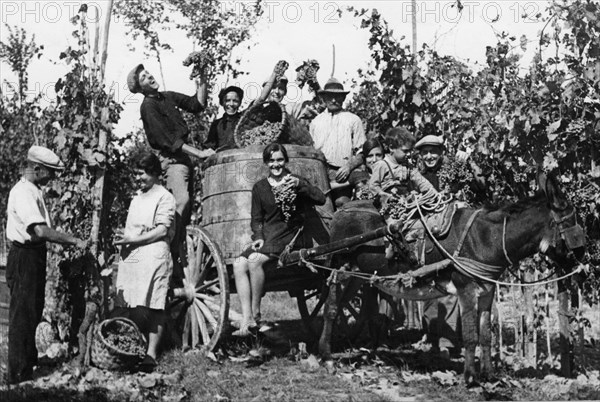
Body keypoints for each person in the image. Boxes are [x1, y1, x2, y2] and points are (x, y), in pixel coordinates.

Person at [5, 145, 87, 384]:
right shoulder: (22, 192)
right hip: (24, 257)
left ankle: (28, 364)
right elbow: (39, 230)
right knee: (22, 316)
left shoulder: (33, 190)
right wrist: (72, 240)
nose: (53, 177)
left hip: (34, 256)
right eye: (50, 172)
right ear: (37, 168)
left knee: (33, 310)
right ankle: (17, 376)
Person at [127, 63, 214, 285]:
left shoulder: (167, 97)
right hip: (171, 160)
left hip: (184, 161)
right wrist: (199, 153)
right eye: (144, 78)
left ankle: (179, 255)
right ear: (140, 88)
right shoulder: (148, 107)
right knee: (181, 203)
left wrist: (202, 74)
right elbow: (169, 141)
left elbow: (197, 104)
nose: (150, 77)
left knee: (186, 213)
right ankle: (168, 254)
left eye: (149, 74)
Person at [232, 143, 326, 336]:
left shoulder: (296, 181)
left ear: (286, 161)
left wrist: (302, 187)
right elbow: (256, 219)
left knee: (254, 261)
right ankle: (246, 318)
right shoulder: (260, 187)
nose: (276, 164)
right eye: (272, 160)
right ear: (266, 162)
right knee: (238, 263)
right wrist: (258, 237)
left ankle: (256, 315)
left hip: (291, 235)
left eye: (280, 160)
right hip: (268, 236)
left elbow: (320, 198)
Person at [114, 152, 176, 372]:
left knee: (155, 303)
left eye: (141, 173)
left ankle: (151, 353)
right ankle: (135, 349)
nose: (138, 178)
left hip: (153, 253)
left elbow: (162, 230)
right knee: (134, 302)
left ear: (154, 173)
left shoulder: (164, 197)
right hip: (134, 254)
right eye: (136, 173)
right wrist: (126, 239)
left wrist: (134, 239)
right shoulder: (137, 197)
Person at [310, 77, 366, 205]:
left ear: (343, 98)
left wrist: (348, 166)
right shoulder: (316, 122)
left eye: (338, 97)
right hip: (320, 171)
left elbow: (361, 152)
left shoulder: (353, 120)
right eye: (330, 96)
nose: (334, 100)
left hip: (342, 173)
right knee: (322, 207)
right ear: (324, 98)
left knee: (342, 203)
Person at [202, 85, 245, 151]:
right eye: (227, 100)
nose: (231, 104)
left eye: (235, 101)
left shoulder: (244, 121)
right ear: (222, 102)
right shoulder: (216, 124)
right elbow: (209, 146)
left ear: (240, 103)